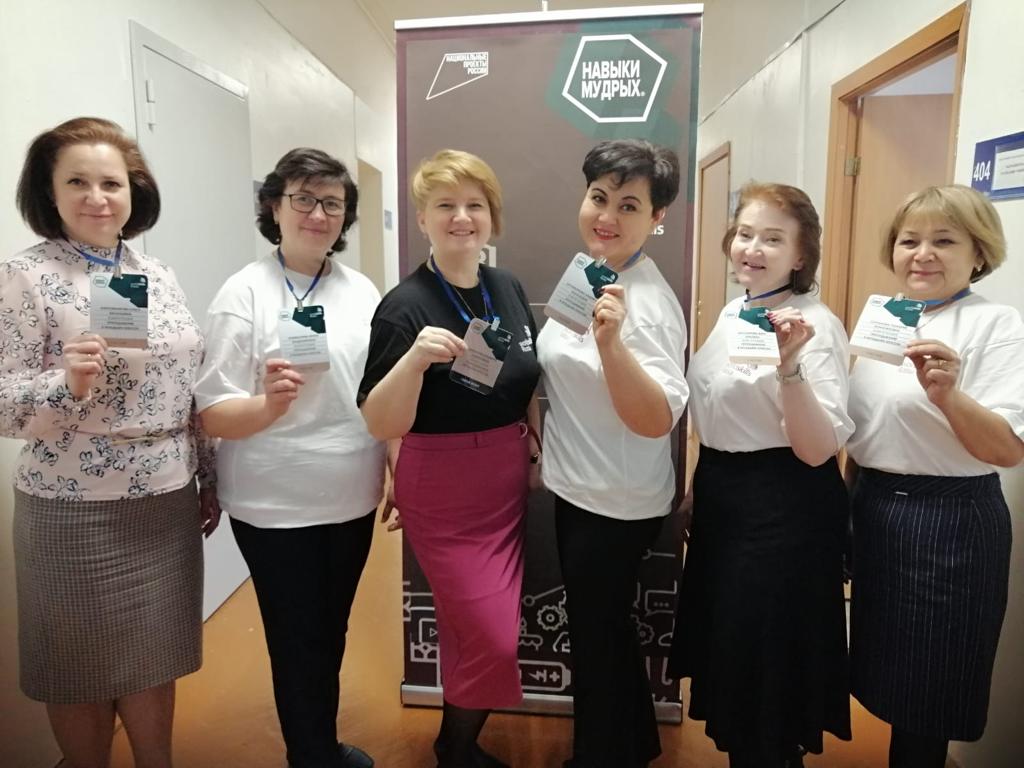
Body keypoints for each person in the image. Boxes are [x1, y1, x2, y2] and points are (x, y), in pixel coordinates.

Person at [1, 117, 219, 768]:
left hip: (164, 499)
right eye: (77, 182)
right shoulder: (25, 276)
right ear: (49, 192)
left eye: (111, 183)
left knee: (155, 657)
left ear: (133, 191)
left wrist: (207, 476)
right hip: (72, 509)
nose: (97, 198)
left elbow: (186, 387)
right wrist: (65, 384)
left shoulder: (158, 274)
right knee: (77, 668)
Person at [195, 148, 383, 768]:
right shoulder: (243, 292)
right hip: (272, 503)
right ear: (274, 207)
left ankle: (318, 744)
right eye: (303, 198)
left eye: (332, 203)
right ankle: (311, 755)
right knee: (296, 636)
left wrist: (396, 462)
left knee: (331, 629)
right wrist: (269, 405)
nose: (318, 214)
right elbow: (213, 411)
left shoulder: (362, 292)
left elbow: (378, 392)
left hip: (352, 492)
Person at [358, 149, 540, 768]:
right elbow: (380, 420)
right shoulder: (404, 306)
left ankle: (455, 748)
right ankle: (455, 746)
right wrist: (413, 360)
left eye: (474, 205)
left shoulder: (507, 287)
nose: (461, 217)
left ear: (492, 216)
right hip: (441, 485)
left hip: (505, 477)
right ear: (422, 219)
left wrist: (534, 441)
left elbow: (526, 375)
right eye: (445, 205)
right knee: (492, 634)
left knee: (476, 630)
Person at [669, 182, 852, 768]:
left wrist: (790, 366)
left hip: (783, 508)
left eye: (773, 238)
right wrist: (698, 488)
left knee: (765, 665)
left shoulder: (815, 325)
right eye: (745, 234)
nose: (753, 248)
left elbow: (817, 449)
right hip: (725, 498)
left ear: (800, 255)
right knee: (734, 657)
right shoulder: (736, 311)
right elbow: (721, 410)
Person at [845, 185, 1024, 768]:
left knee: (932, 688)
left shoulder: (995, 322)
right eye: (909, 240)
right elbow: (864, 426)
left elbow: (1007, 449)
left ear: (978, 252)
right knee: (887, 672)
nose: (922, 254)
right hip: (875, 508)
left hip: (950, 522)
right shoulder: (884, 316)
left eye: (943, 241)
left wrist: (948, 395)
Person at [537, 139, 689, 768]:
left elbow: (656, 420)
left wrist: (613, 345)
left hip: (614, 503)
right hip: (579, 488)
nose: (607, 216)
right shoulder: (590, 271)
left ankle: (599, 757)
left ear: (657, 216)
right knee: (603, 634)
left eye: (629, 205)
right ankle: (633, 745)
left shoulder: (647, 305)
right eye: (599, 197)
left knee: (597, 644)